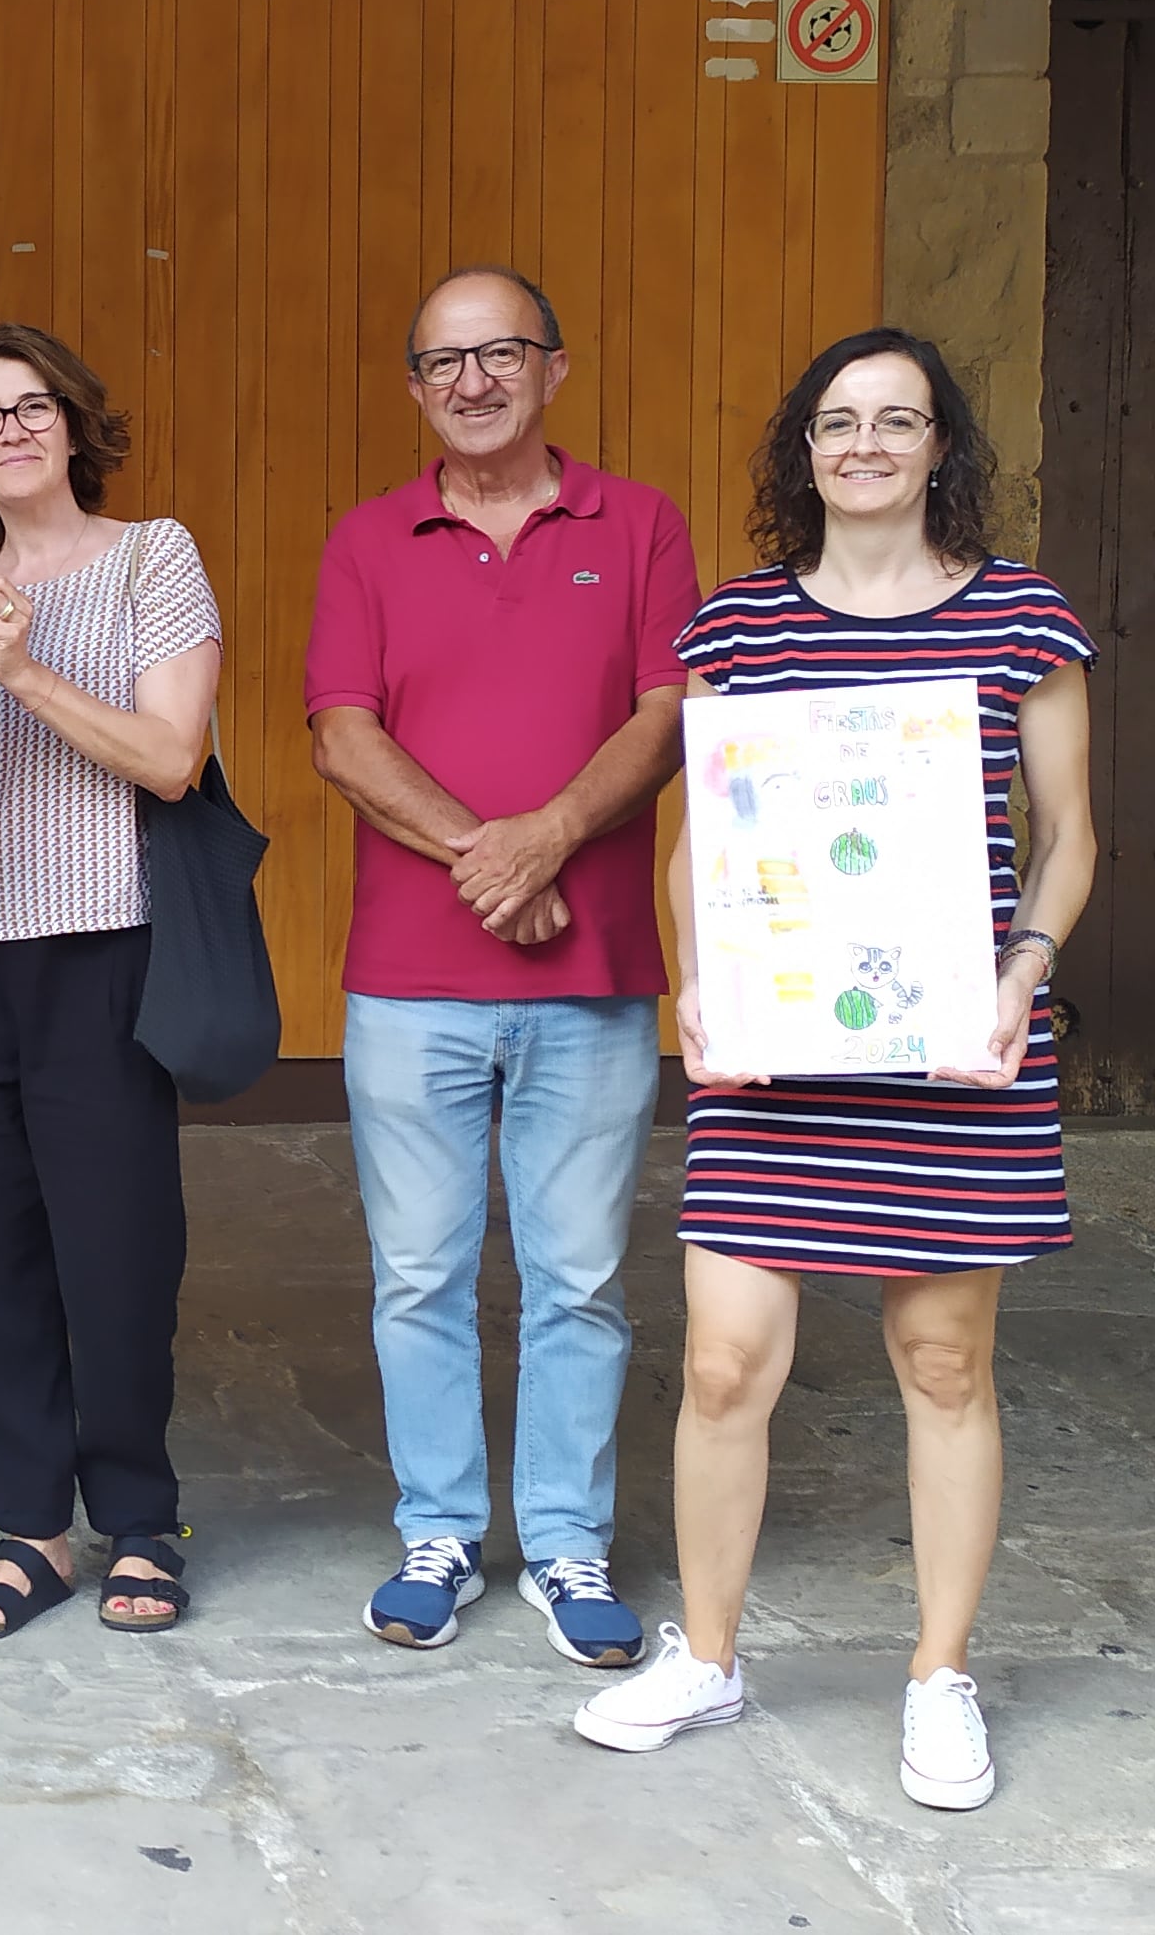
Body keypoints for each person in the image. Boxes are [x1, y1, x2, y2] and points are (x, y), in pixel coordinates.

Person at [574, 329, 1096, 1815]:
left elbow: (1068, 830)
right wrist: (695, 989)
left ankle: (940, 1676)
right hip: (777, 1062)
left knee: (944, 1366)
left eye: (898, 420)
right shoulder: (738, 627)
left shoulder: (1024, 617)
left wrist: (1026, 967)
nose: (865, 443)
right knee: (726, 1361)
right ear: (805, 451)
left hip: (955, 1052)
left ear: (943, 446)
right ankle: (711, 1656)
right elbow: (697, 842)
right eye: (837, 422)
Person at [301, 266, 698, 1671]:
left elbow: (668, 713)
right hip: (408, 982)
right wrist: (493, 857)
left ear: (554, 368)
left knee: (579, 1274)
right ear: (415, 386)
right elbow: (340, 734)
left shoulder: (640, 524)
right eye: (443, 361)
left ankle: (570, 1537)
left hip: (593, 982)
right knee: (417, 1272)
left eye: (501, 353)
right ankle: (440, 1529)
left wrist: (549, 838)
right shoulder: (368, 541)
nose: (473, 380)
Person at [0, 324, 221, 1639]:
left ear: (76, 424)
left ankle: (140, 1514)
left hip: (103, 940)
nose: (12, 428)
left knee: (118, 1245)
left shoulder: (152, 555)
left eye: (34, 406)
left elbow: (172, 757)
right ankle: (29, 1522)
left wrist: (21, 666)